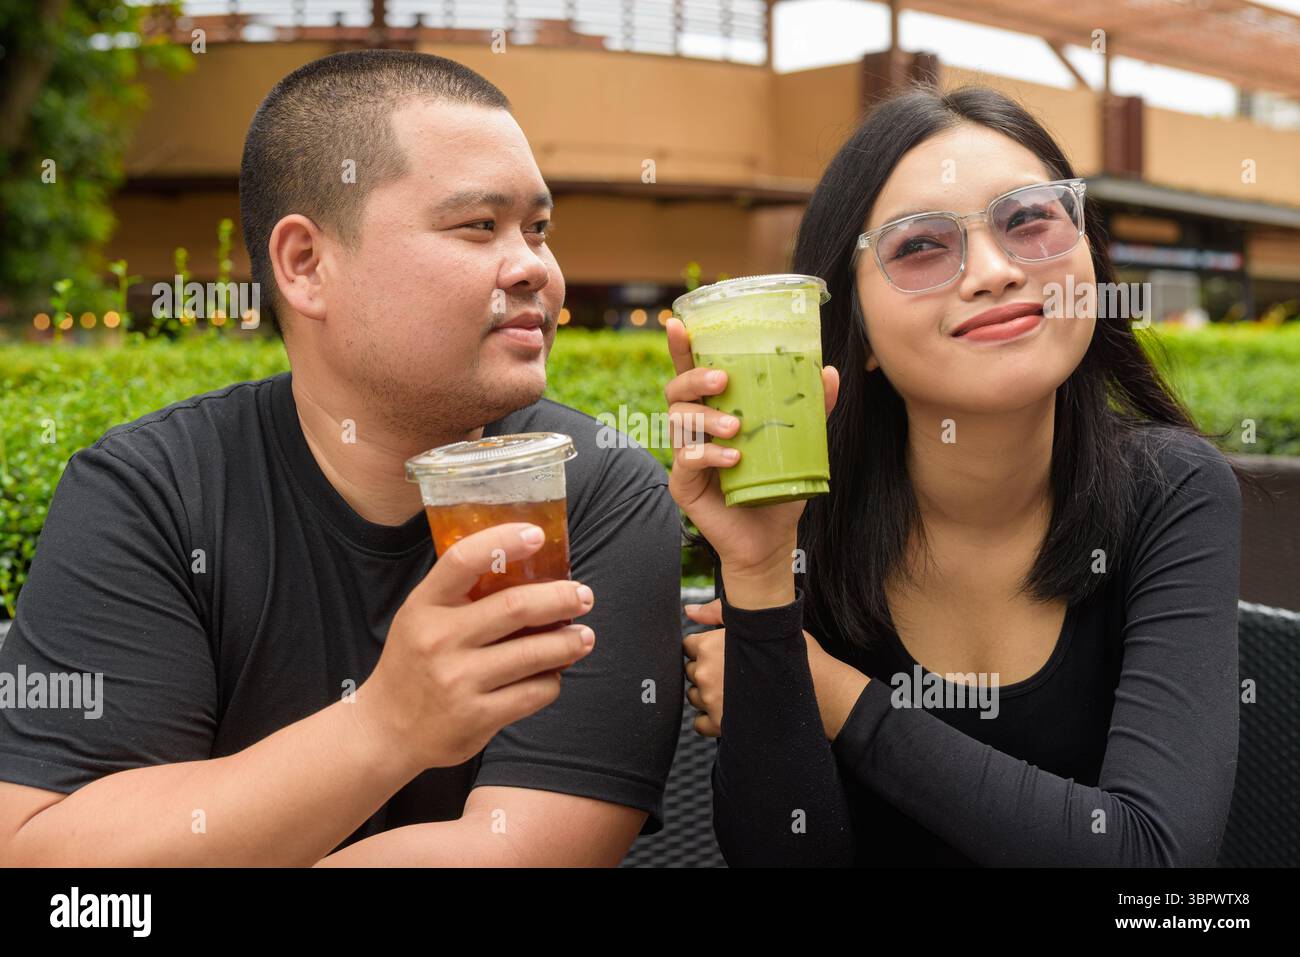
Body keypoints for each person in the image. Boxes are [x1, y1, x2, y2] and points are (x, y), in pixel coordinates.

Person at [0, 50, 683, 867]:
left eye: (538, 228)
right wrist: (386, 724)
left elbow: (522, 854)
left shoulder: (593, 489)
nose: (536, 266)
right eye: (479, 225)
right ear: (305, 264)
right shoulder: (154, 493)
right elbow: (45, 855)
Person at [668, 83, 1253, 866]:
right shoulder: (804, 517)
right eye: (919, 245)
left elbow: (1154, 862)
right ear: (858, 331)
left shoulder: (1169, 490)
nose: (993, 270)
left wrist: (834, 693)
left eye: (1030, 219)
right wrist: (760, 573)